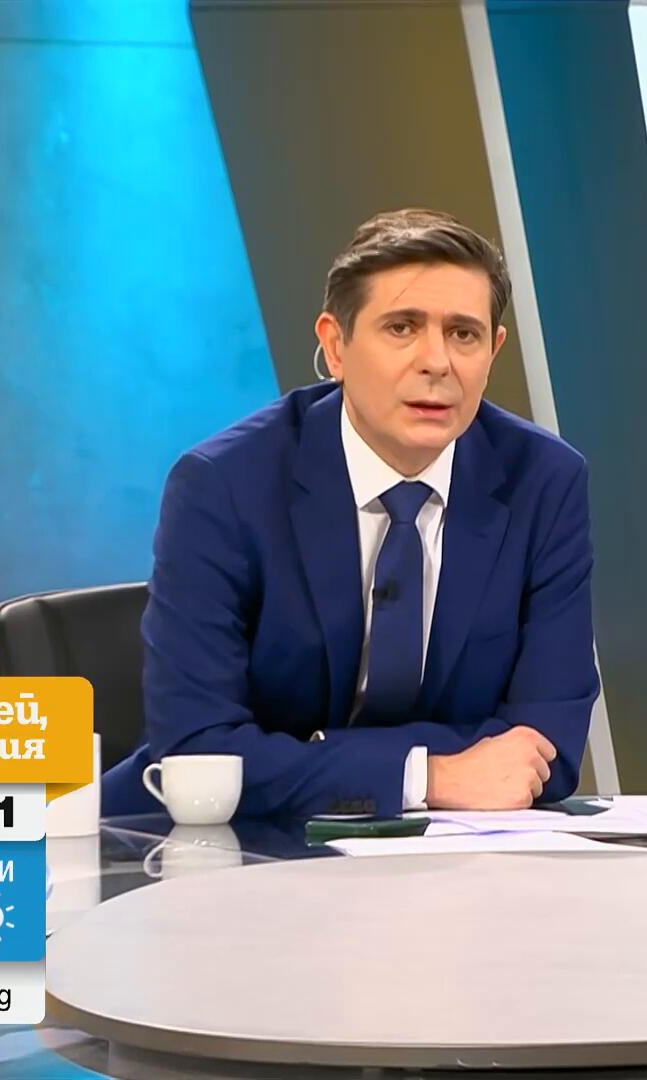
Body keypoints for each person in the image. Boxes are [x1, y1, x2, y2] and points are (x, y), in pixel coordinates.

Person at [102, 208, 596, 818]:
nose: (437, 362)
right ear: (336, 346)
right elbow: (198, 752)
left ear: (493, 350)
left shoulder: (544, 482)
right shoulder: (224, 486)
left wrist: (306, 753)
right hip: (213, 848)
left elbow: (547, 743)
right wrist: (424, 775)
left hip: (458, 855)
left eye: (463, 334)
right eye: (402, 328)